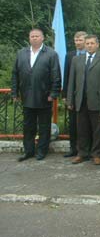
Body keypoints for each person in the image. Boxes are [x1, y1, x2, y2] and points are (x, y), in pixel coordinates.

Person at [12, 29, 61, 162]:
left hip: (44, 96)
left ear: (42, 38)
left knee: (44, 126)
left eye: (37, 36)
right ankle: (28, 151)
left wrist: (53, 93)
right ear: (29, 38)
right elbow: (15, 74)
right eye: (32, 36)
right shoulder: (21, 53)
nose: (34, 38)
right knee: (28, 126)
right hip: (26, 97)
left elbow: (56, 75)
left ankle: (41, 151)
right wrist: (15, 92)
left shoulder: (51, 54)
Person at [66, 35, 100, 165]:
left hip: (97, 100)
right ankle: (82, 153)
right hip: (80, 100)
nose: (89, 45)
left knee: (97, 130)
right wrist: (70, 100)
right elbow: (71, 81)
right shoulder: (77, 60)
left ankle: (97, 154)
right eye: (87, 43)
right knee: (81, 129)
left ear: (97, 45)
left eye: (92, 43)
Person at [62, 31, 87, 158]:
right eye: (76, 40)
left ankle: (87, 150)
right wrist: (66, 96)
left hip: (87, 96)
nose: (78, 43)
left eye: (80, 40)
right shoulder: (70, 55)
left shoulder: (91, 55)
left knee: (86, 125)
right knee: (73, 123)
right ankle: (73, 149)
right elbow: (66, 77)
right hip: (73, 96)